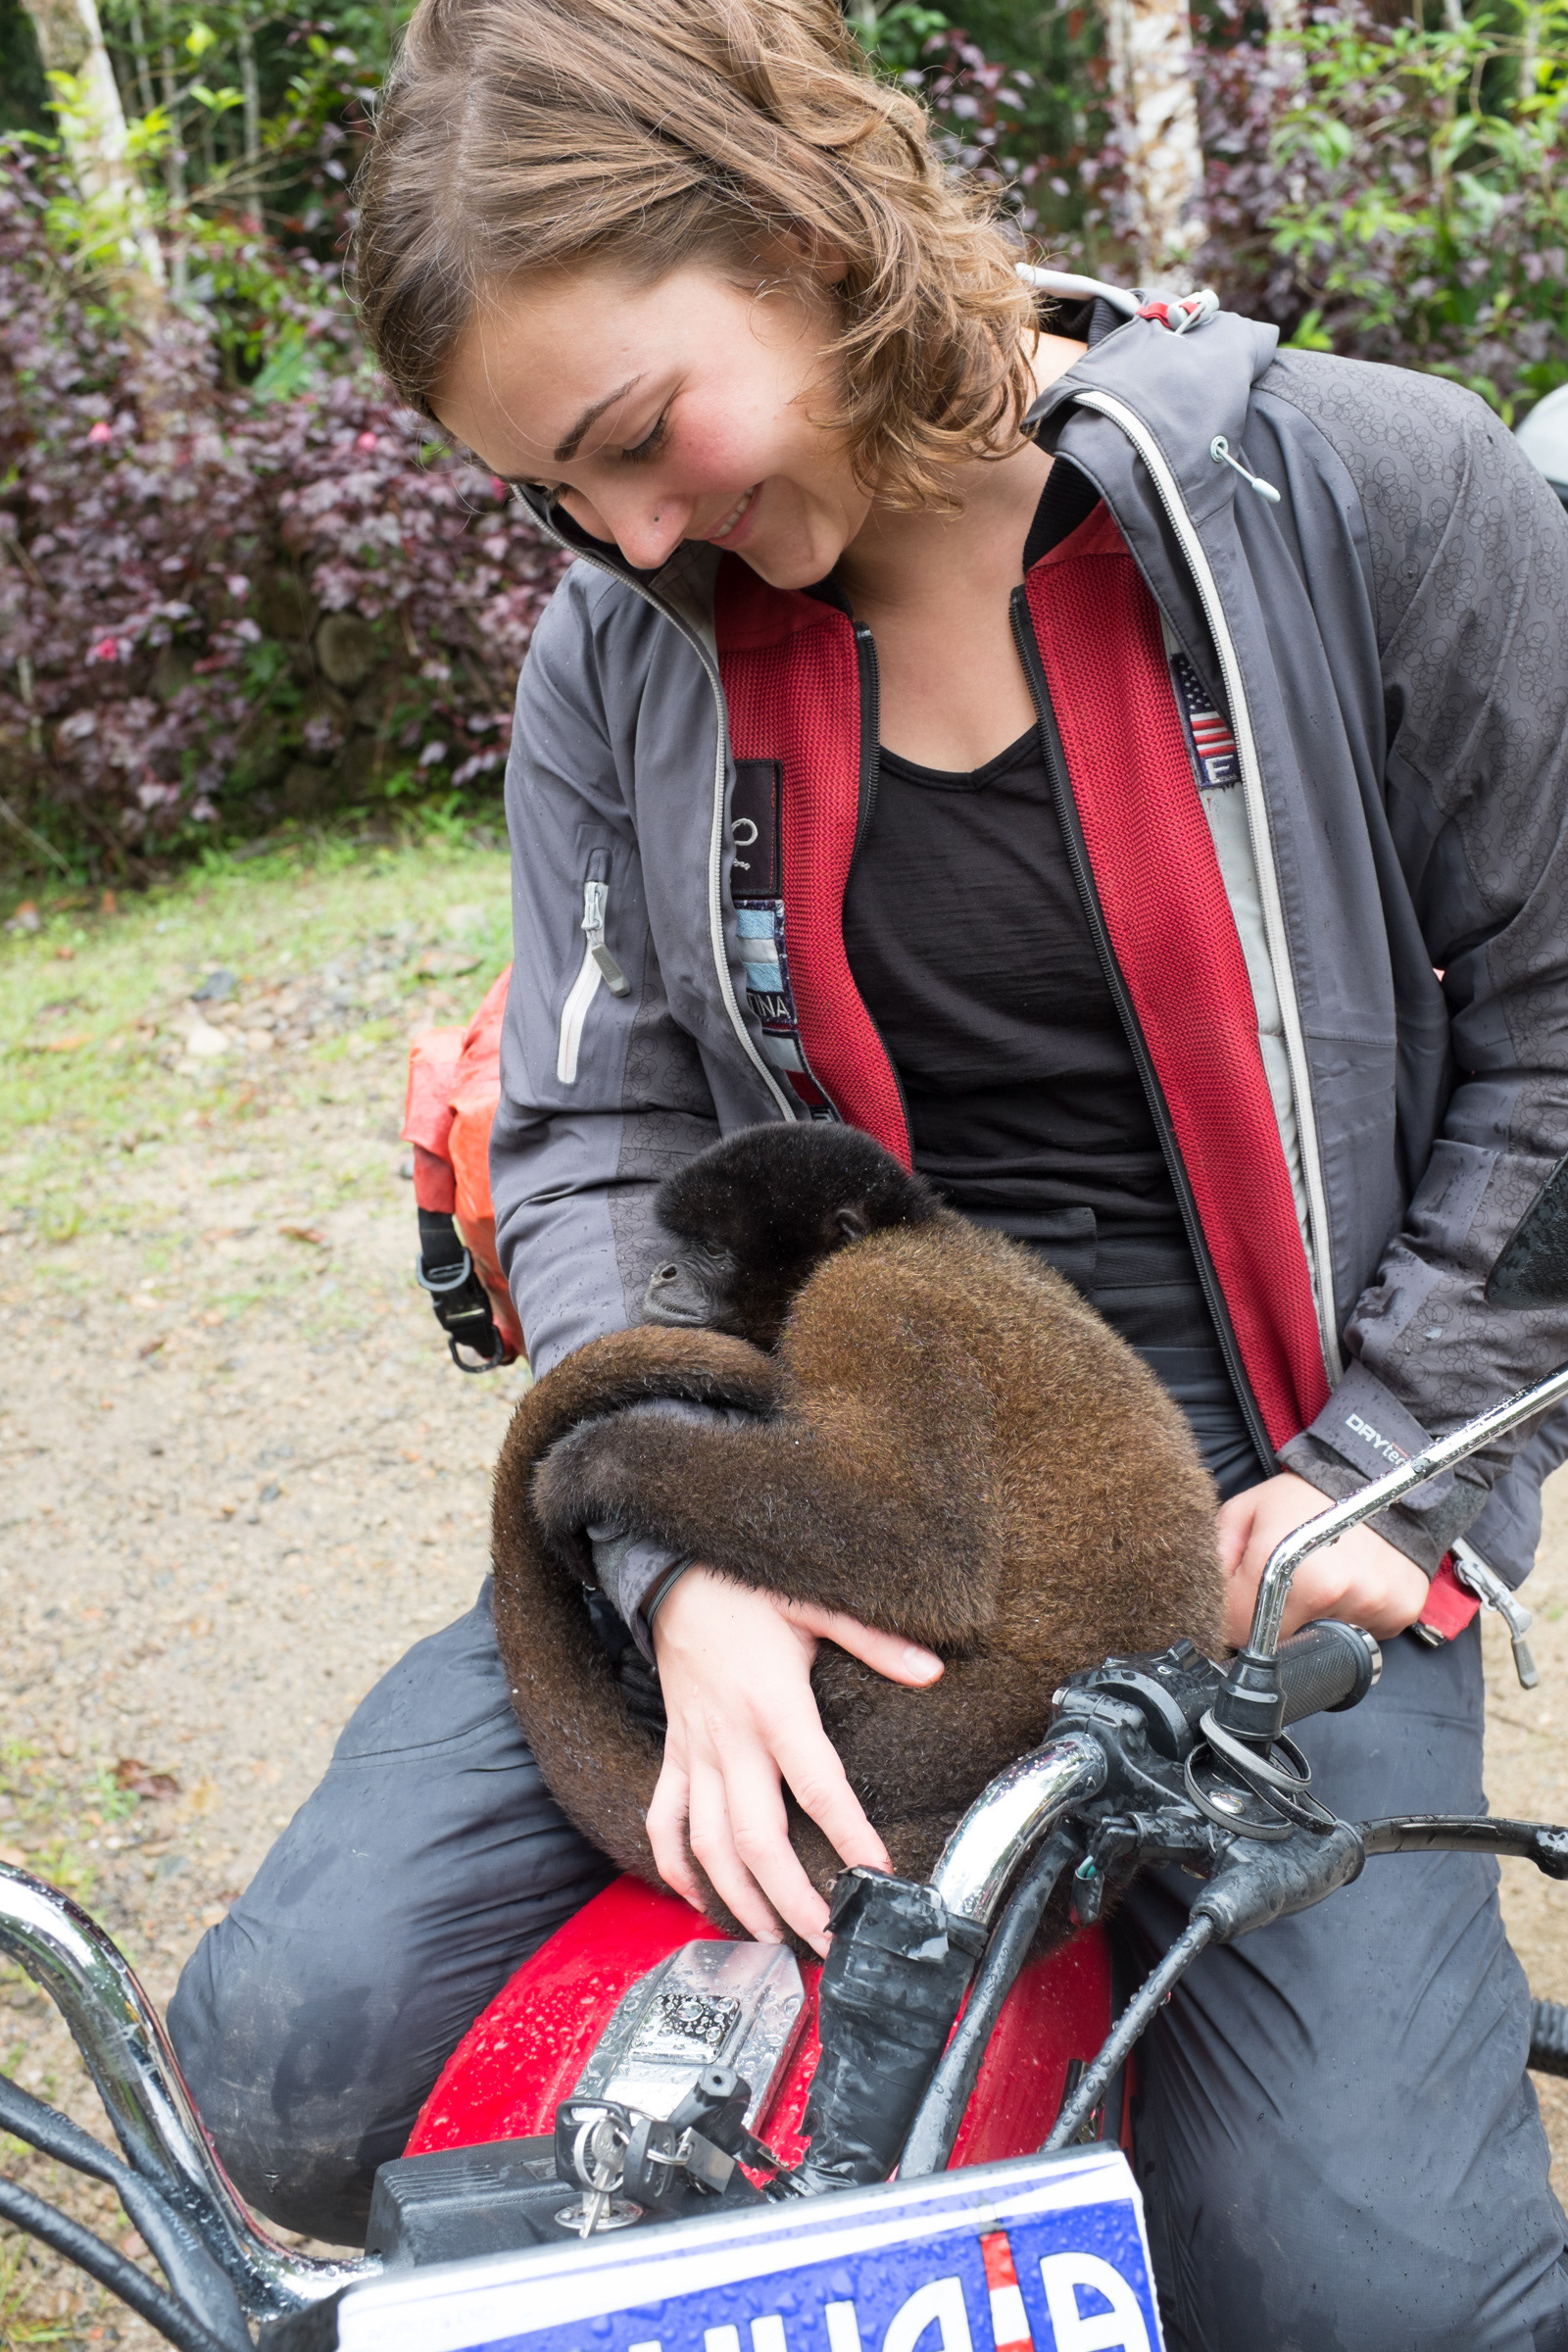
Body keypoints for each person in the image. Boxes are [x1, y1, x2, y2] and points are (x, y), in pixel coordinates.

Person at [167, 0, 1568, 2339]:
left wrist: (1377, 1486)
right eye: (551, 492)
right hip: (828, 1439)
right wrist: (686, 1550)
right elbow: (600, 1124)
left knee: (1371, 2296)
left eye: (634, 439)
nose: (622, 540)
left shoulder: (1373, 496)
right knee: (283, 2062)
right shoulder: (619, 643)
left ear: (810, 232)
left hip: (1272, 1480)